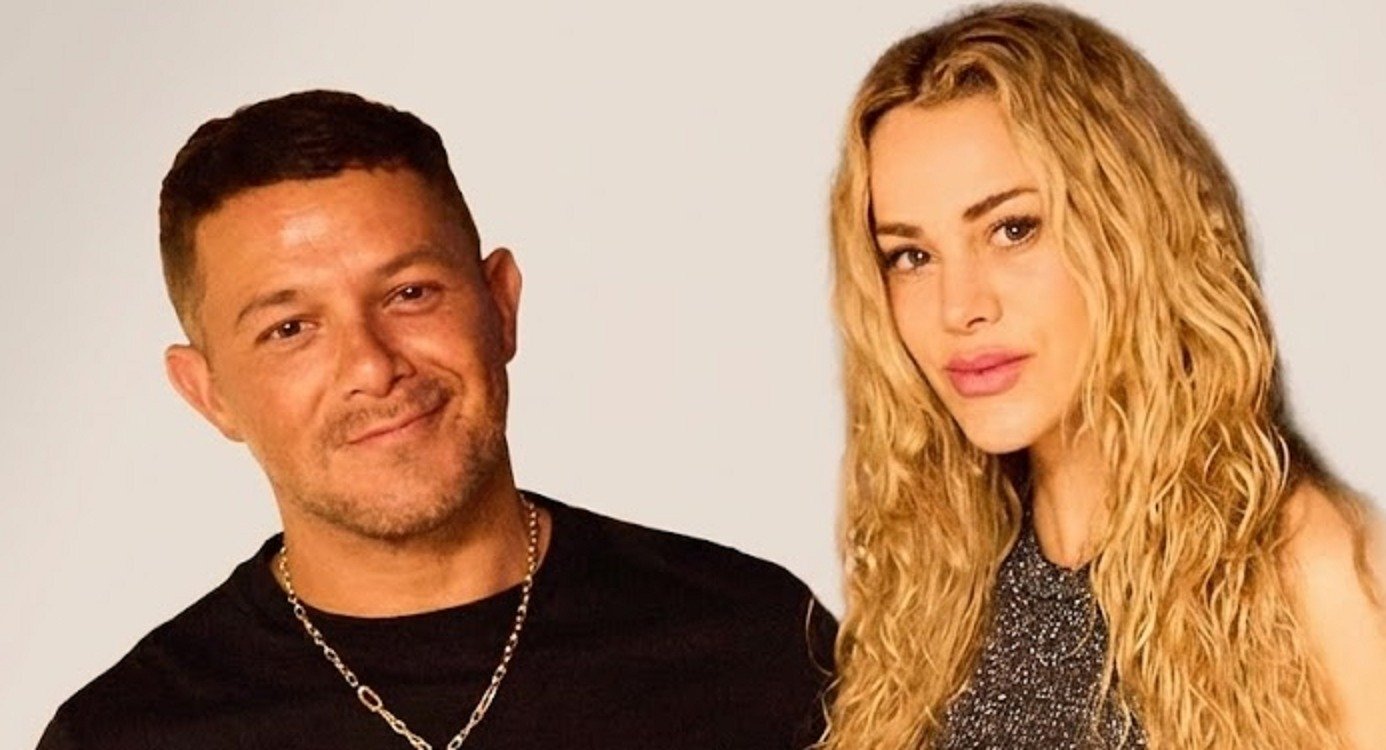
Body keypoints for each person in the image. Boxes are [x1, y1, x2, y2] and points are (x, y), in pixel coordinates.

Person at [38, 90, 834, 750]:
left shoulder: (755, 640)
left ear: (501, 304)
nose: (372, 365)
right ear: (207, 392)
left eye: (410, 293)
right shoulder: (126, 734)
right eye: (291, 328)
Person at [821, 4, 1386, 749]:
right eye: (911, 256)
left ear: (1131, 231)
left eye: (1013, 229)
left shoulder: (1312, 572)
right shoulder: (934, 587)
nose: (959, 307)